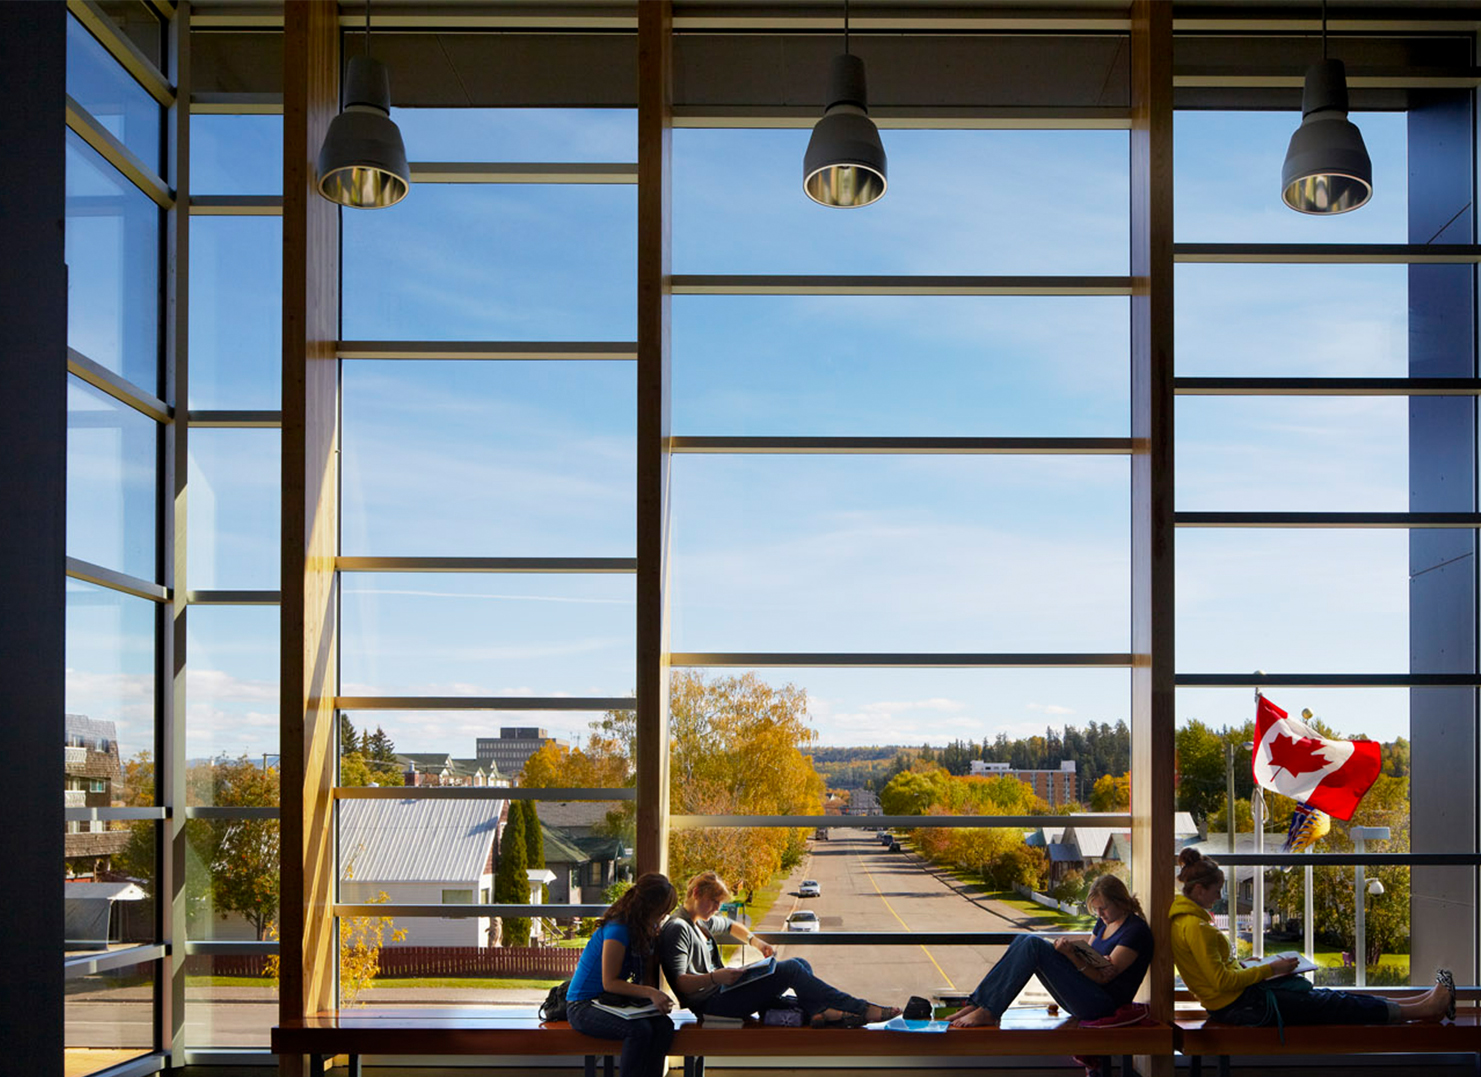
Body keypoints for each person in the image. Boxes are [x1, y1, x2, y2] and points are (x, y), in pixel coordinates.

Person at [1171, 848, 1453, 1027]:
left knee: (1334, 999)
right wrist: (1271, 969)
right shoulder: (1196, 928)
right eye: (1216, 890)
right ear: (1198, 891)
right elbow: (1221, 981)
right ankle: (1423, 1009)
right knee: (1333, 1004)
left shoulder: (1185, 922)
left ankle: (1418, 1007)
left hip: (1236, 1003)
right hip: (1243, 1007)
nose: (1219, 896)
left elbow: (1215, 974)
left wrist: (1249, 966)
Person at [659, 870, 902, 1027]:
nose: (716, 909)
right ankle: (860, 1008)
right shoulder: (678, 928)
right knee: (793, 969)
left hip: (723, 992)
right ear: (696, 893)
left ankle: (821, 1012)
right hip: (712, 1006)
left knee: (801, 966)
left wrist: (756, 942)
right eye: (714, 902)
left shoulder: (701, 920)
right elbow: (680, 983)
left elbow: (732, 926)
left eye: (719, 904)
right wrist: (715, 976)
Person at [949, 873, 1155, 1029]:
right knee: (1024, 939)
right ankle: (978, 1004)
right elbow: (1092, 960)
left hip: (1102, 1005)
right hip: (1086, 993)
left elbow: (1102, 978)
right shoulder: (1104, 923)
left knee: (1033, 946)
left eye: (1104, 908)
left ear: (1120, 902)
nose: (1100, 914)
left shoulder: (1135, 931)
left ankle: (989, 1011)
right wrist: (1073, 951)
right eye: (1096, 909)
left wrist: (1070, 954)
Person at [566, 873, 678, 1077]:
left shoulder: (642, 928)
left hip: (609, 1002)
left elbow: (645, 975)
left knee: (663, 1026)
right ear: (650, 908)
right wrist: (651, 993)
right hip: (583, 1005)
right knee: (639, 1030)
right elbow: (609, 982)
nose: (663, 916)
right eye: (663, 911)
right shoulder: (618, 929)